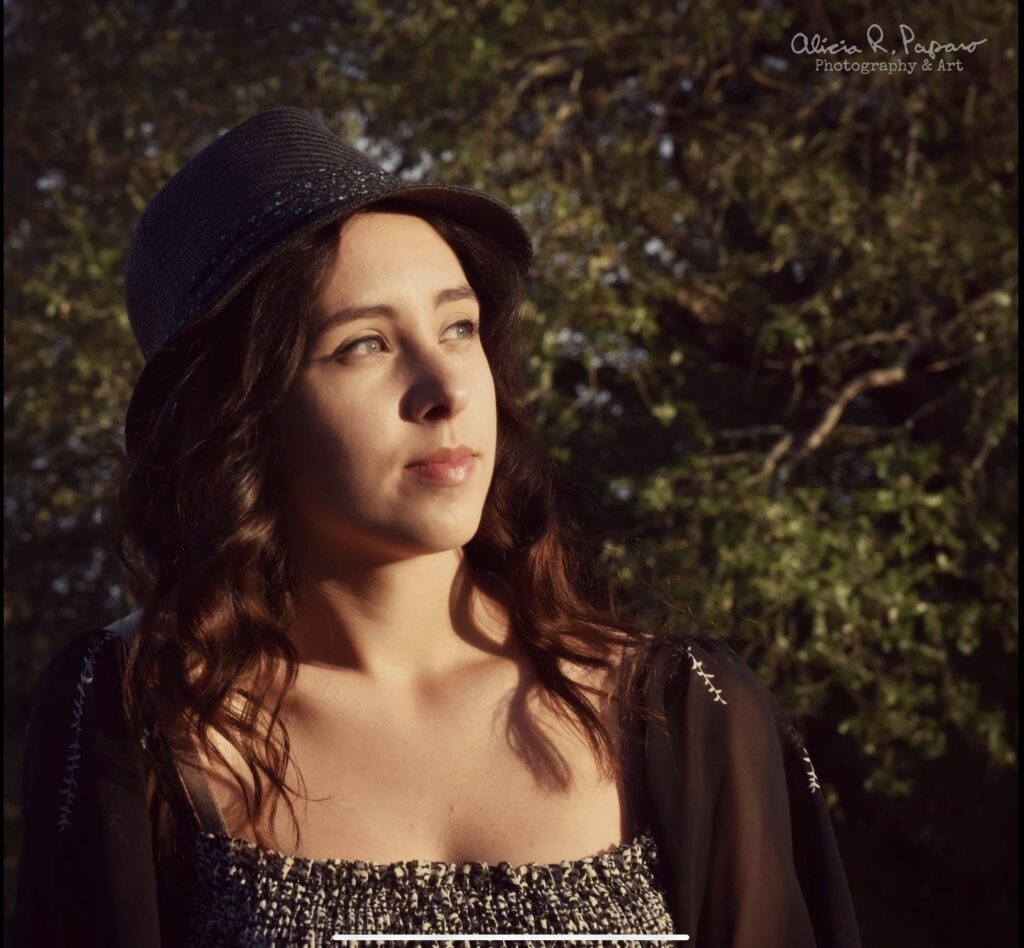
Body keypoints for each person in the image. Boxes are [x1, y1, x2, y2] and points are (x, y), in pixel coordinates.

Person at [11, 108, 862, 948]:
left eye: (459, 328)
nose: (446, 390)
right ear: (237, 416)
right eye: (365, 345)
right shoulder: (136, 716)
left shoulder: (682, 710)